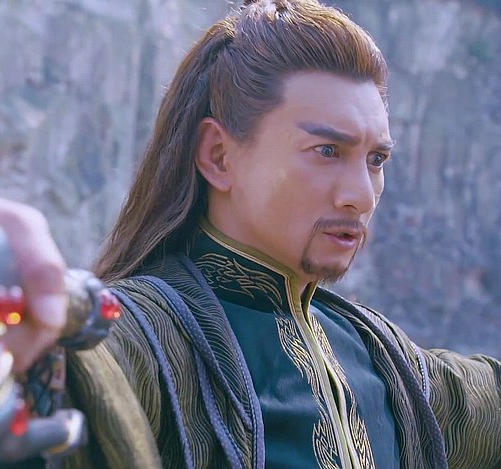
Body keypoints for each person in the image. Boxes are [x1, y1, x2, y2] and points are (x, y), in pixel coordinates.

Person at [50, 0, 501, 468]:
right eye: (327, 151)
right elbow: (55, 368)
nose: (362, 197)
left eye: (376, 160)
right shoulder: (142, 337)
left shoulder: (385, 365)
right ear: (219, 155)